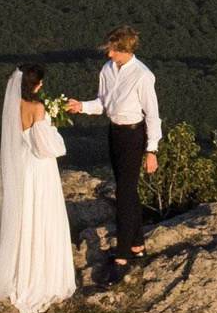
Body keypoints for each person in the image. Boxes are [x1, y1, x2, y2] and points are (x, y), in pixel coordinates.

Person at [0, 62, 75, 313]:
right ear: (37, 85)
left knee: (23, 219)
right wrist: (54, 129)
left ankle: (18, 271)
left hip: (20, 168)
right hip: (39, 171)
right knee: (43, 217)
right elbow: (47, 148)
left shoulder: (12, 107)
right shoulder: (37, 108)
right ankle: (41, 278)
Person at [68, 24, 160, 282]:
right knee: (127, 189)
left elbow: (152, 115)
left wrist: (151, 150)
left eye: (112, 50)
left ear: (124, 49)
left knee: (124, 193)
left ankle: (121, 258)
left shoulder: (142, 75)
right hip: (115, 132)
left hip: (134, 134)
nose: (108, 54)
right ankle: (138, 246)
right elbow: (103, 103)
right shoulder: (108, 70)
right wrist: (81, 107)